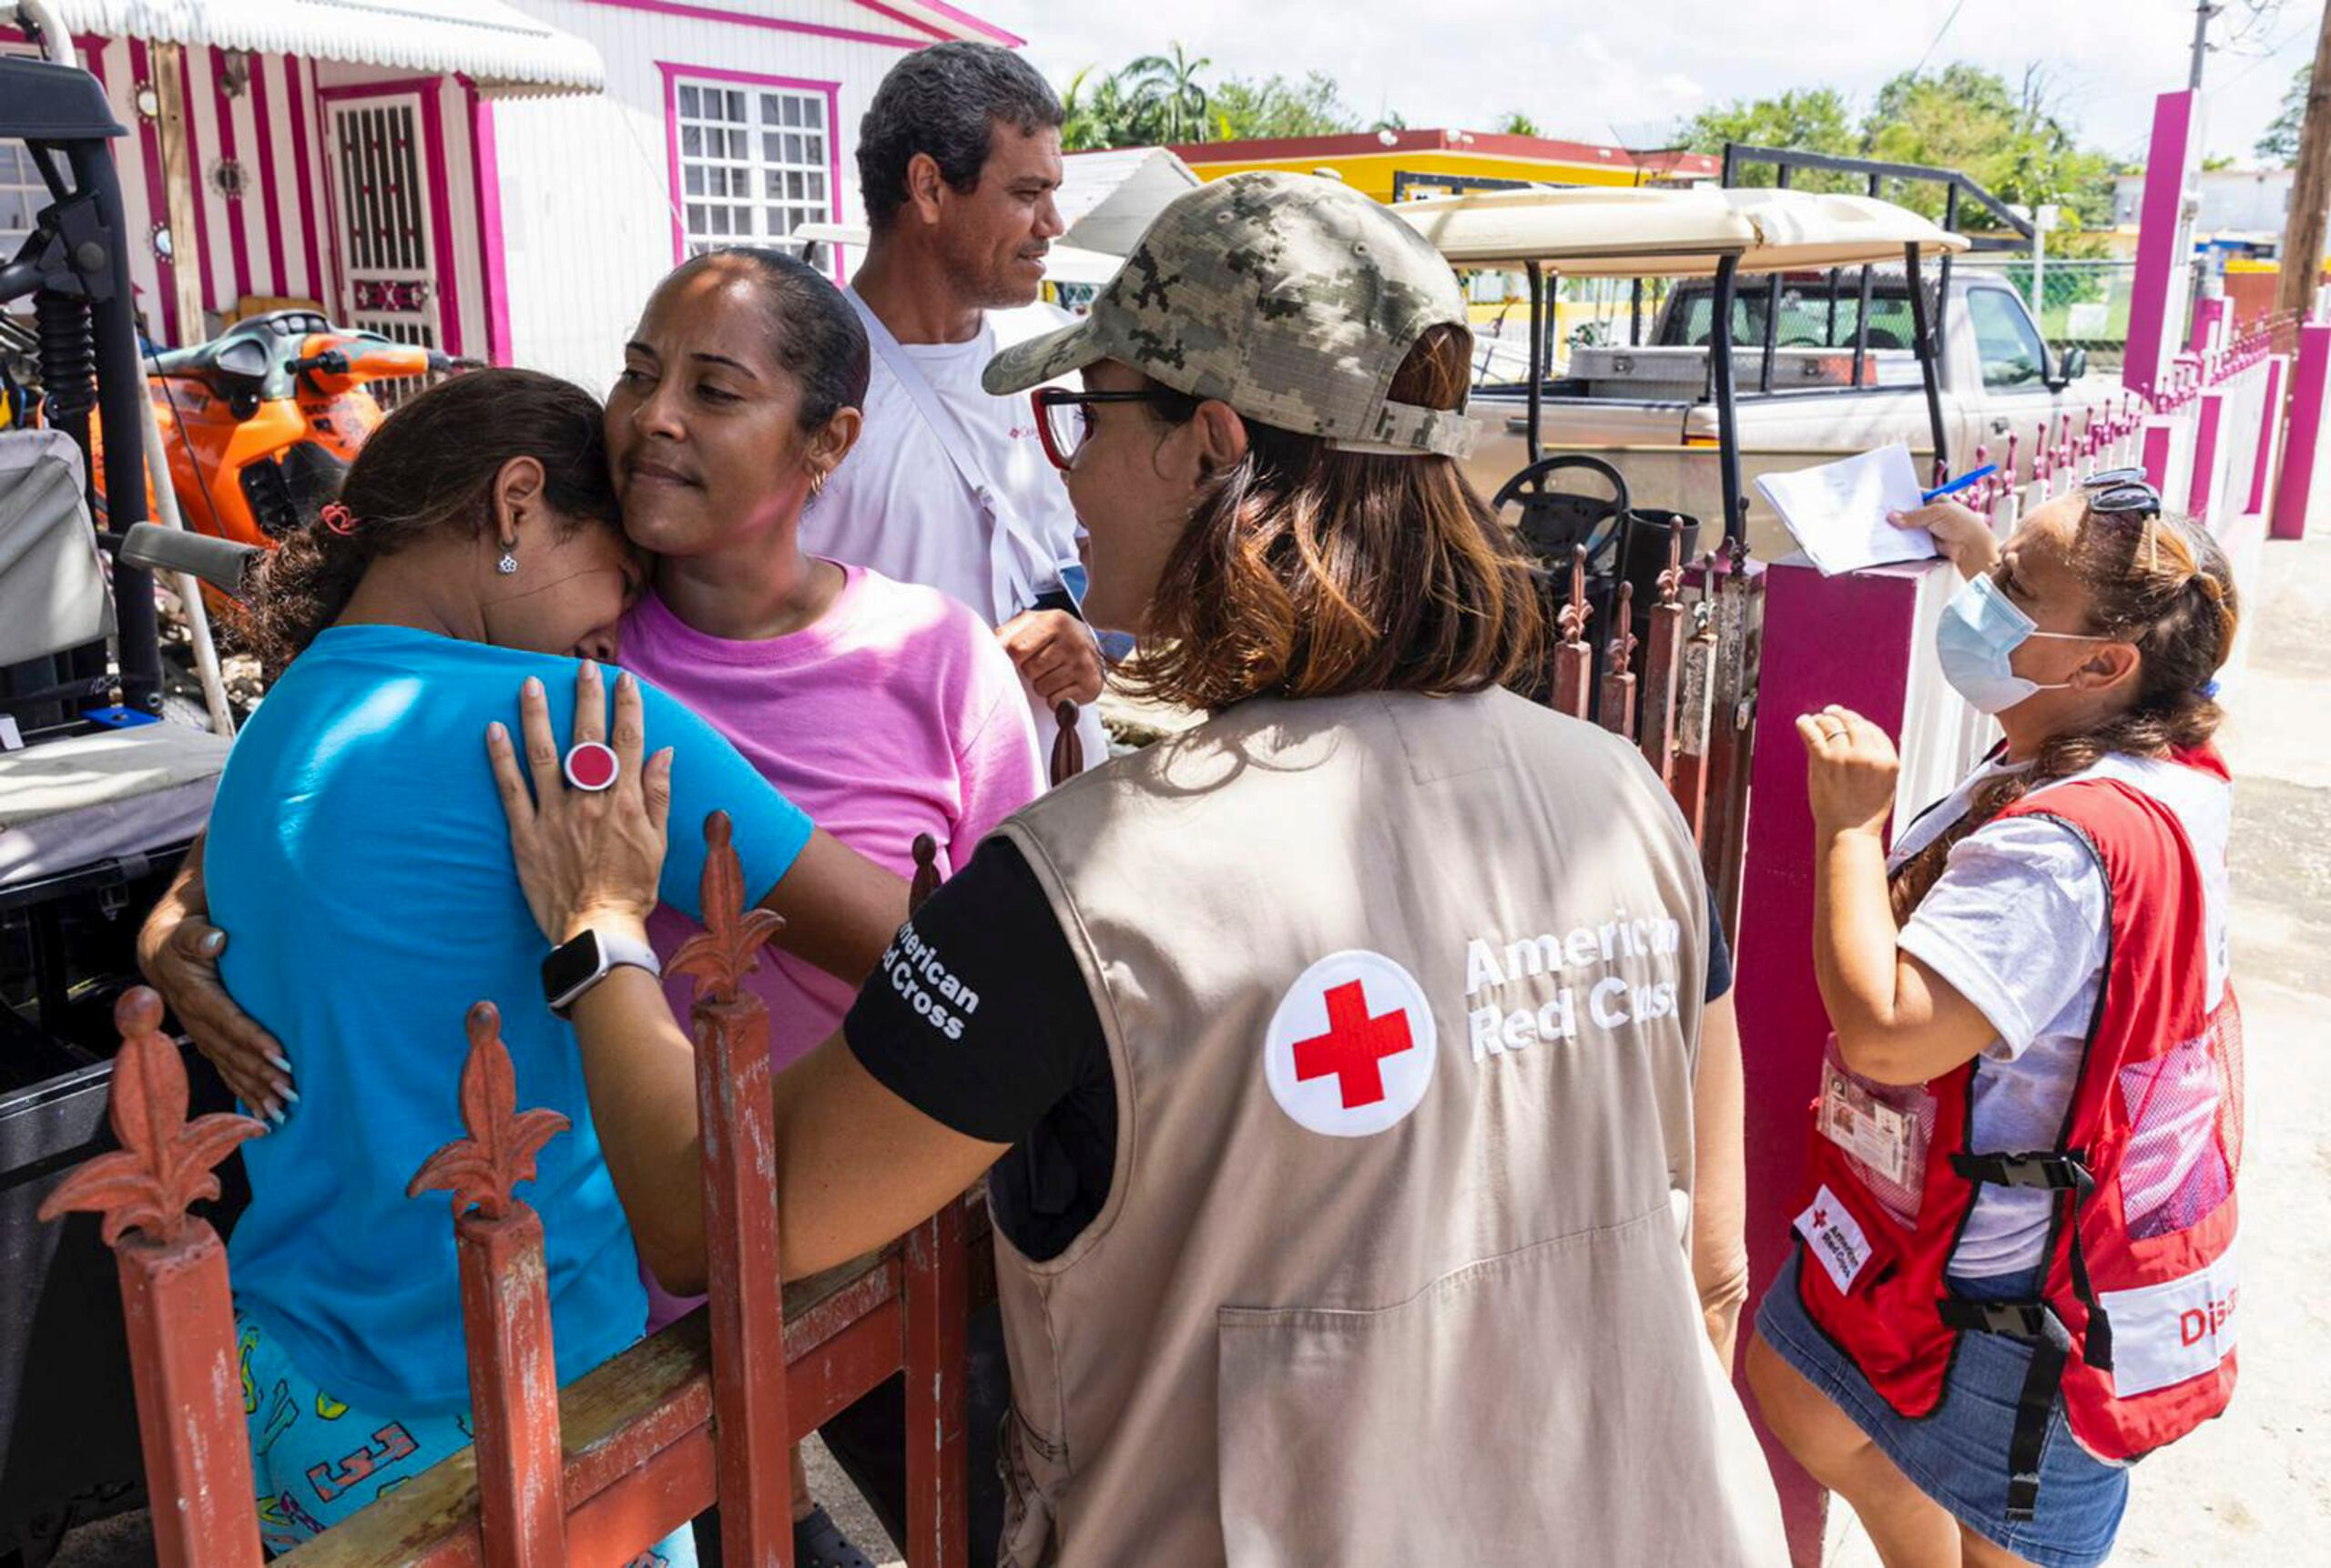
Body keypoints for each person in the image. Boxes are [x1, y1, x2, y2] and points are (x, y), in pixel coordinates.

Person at [494, 172, 1787, 1567]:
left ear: (1207, 444)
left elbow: (716, 1218)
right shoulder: (1623, 803)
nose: (1067, 469)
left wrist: (599, 921)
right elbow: (1710, 1271)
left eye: (1087, 417)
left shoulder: (1090, 886)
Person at [132, 369, 901, 1558]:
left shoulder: (267, 736)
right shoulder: (572, 725)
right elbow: (898, 943)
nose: (626, 621)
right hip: (531, 1409)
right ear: (517, 504)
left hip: (289, 1403)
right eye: (623, 576)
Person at [609, 243, 1042, 1568]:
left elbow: (1017, 955)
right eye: (638, 373)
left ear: (827, 440)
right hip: (650, 1274)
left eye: (716, 388)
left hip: (902, 1238)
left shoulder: (934, 655)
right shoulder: (563, 654)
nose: (655, 416)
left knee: (977, 1530)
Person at [1746, 479, 2244, 1568]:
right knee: (1801, 1386)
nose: (1986, 600)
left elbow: (1885, 1032)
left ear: (2101, 664)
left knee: (1997, 1540)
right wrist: (1982, 558)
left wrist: (1847, 828)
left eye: (2017, 585)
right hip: (1944, 1238)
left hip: (2018, 1303)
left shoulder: (2056, 852)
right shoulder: (2153, 754)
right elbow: (2059, 643)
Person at [807, 41, 1107, 772]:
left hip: (1062, 810)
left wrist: (1093, 645)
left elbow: (1107, 565)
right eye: (1028, 193)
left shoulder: (1054, 360)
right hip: (902, 830)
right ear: (930, 188)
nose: (1054, 223)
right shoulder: (802, 384)